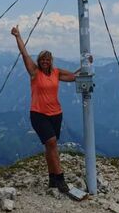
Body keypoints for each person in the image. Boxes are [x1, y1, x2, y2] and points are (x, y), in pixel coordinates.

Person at [11, 25, 91, 193]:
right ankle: (60, 178)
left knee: (50, 146)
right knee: (52, 143)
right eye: (42, 59)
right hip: (38, 114)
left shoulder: (56, 72)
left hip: (56, 114)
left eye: (47, 59)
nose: (45, 62)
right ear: (39, 61)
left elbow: (73, 76)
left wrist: (87, 64)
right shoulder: (34, 72)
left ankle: (52, 179)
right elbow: (24, 54)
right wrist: (18, 36)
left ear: (51, 61)